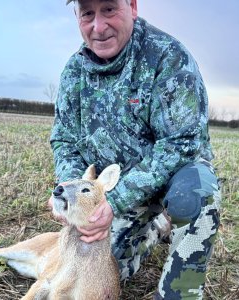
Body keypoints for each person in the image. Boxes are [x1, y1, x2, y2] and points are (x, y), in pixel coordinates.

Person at [49, 0, 221, 299]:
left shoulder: (168, 57)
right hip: (109, 189)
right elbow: (64, 139)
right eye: (87, 13)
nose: (98, 27)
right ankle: (155, 229)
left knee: (198, 194)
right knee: (108, 267)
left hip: (169, 182)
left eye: (109, 9)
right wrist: (72, 191)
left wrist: (113, 201)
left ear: (132, 6)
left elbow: (181, 143)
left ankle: (179, 291)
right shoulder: (74, 72)